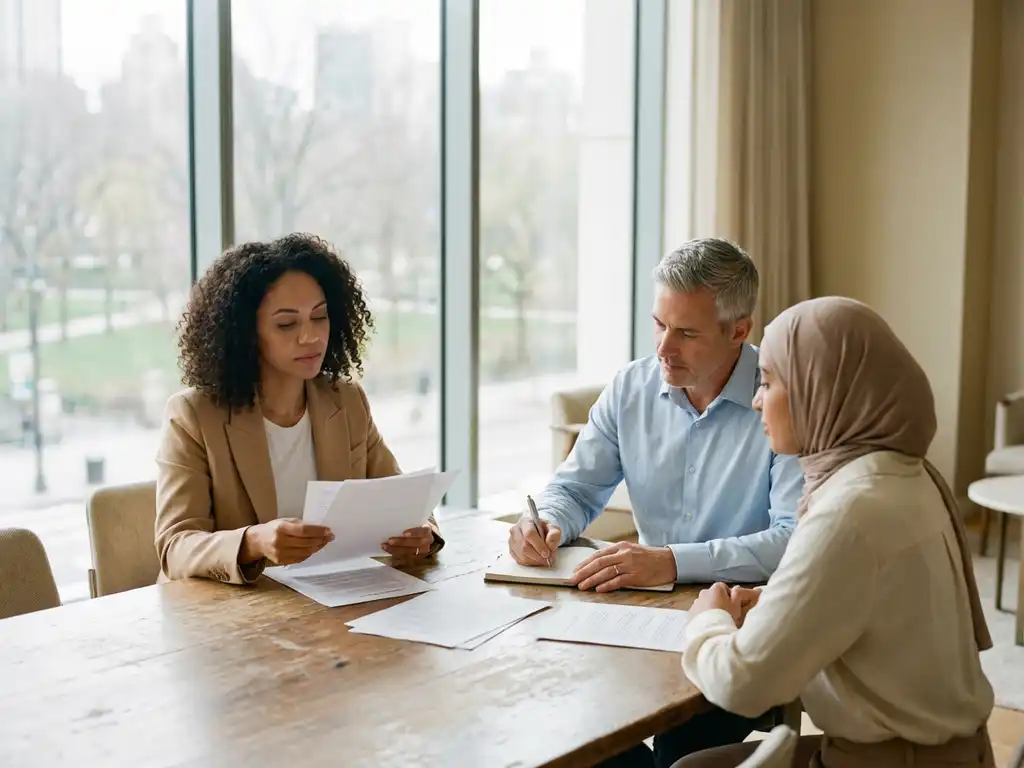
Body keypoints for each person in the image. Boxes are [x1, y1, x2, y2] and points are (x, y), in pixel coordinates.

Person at [507, 238, 805, 767]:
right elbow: (575, 488)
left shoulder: (783, 400)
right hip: (639, 617)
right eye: (659, 325)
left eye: (687, 333)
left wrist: (669, 560)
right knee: (562, 724)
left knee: (679, 740)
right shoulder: (630, 388)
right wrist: (547, 522)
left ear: (739, 331)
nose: (664, 349)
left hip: (740, 625)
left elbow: (790, 542)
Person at [677, 297, 995, 768]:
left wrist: (706, 619)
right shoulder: (904, 474)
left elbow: (741, 684)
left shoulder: (849, 512)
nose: (756, 400)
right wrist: (779, 601)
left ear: (819, 389)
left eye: (766, 381)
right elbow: (877, 601)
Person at [155, 234, 443, 585]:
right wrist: (253, 541)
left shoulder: (346, 401)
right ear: (245, 332)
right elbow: (175, 547)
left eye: (320, 317)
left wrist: (422, 534)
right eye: (286, 324)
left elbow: (403, 499)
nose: (311, 337)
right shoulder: (193, 415)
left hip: (328, 603)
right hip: (227, 619)